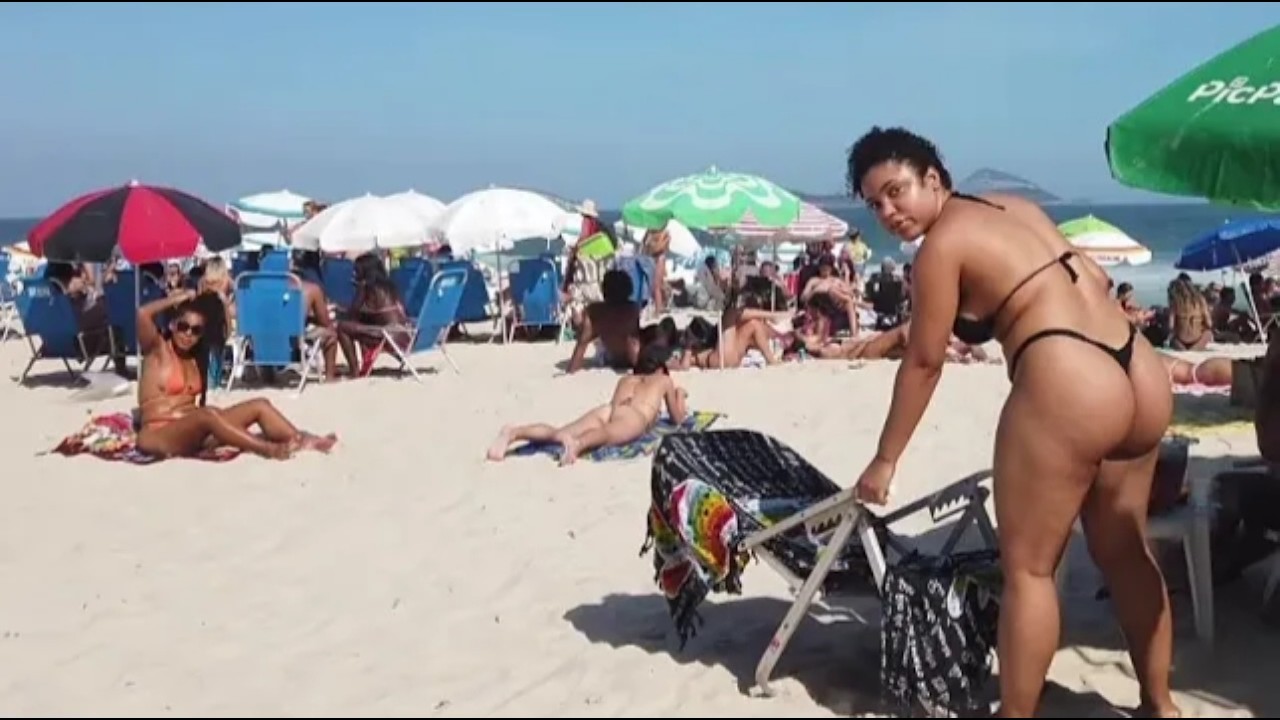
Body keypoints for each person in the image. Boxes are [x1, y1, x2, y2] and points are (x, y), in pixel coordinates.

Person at [846, 127, 1178, 718]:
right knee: (1125, 549)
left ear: (934, 178)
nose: (887, 212)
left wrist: (885, 458)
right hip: (1139, 368)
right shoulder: (1015, 206)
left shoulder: (939, 251)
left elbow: (924, 362)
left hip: (1069, 376)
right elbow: (1097, 281)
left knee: (1028, 569)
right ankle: (1160, 705)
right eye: (874, 204)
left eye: (896, 192)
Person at [133, 290, 337, 460]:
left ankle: (300, 439)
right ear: (172, 325)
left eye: (195, 330)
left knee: (260, 405)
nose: (188, 334)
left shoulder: (196, 358)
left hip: (195, 432)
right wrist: (176, 299)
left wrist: (221, 301)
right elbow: (142, 314)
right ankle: (267, 449)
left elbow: (226, 331)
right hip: (159, 434)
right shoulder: (158, 351)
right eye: (183, 327)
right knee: (208, 414)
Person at [486, 343, 687, 466]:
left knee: (560, 432)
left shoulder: (626, 380)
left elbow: (616, 404)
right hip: (634, 416)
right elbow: (678, 418)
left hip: (609, 410)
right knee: (607, 435)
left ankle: (514, 433)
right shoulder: (663, 381)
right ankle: (578, 445)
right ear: (661, 367)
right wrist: (679, 394)